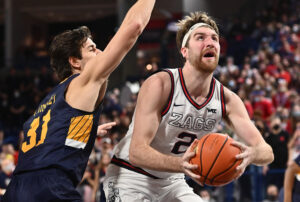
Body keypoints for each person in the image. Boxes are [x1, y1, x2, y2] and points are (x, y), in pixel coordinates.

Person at [104, 11, 274, 201]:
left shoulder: (227, 99)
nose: (209, 42)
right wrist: (180, 164)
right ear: (184, 51)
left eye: (214, 38)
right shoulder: (161, 84)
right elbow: (137, 152)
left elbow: (267, 151)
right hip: (129, 176)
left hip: (172, 181)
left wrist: (251, 154)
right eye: (200, 38)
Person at [3, 0, 156, 201]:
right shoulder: (82, 81)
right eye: (92, 49)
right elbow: (134, 26)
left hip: (17, 189)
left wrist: (90, 129)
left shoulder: (52, 99)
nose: (101, 53)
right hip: (49, 187)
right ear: (75, 62)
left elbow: (52, 140)